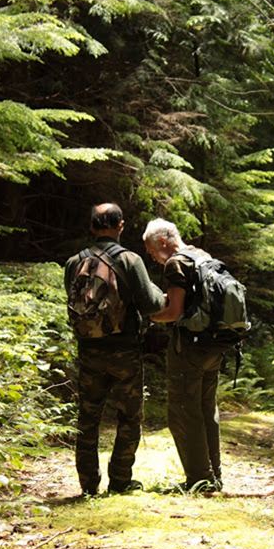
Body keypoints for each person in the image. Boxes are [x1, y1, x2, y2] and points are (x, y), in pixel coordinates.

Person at [65, 203, 165, 496]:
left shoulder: (74, 262)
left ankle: (88, 484)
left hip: (88, 352)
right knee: (129, 418)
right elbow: (150, 304)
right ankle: (120, 480)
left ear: (92, 226)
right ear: (120, 226)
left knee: (87, 418)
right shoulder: (129, 260)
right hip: (124, 351)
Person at [143, 218, 226, 492]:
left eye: (152, 250)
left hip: (189, 347)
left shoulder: (175, 263)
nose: (152, 257)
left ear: (163, 242)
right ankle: (213, 475)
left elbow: (174, 312)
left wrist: (150, 317)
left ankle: (200, 480)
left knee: (182, 412)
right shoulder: (202, 256)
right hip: (214, 345)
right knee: (205, 409)